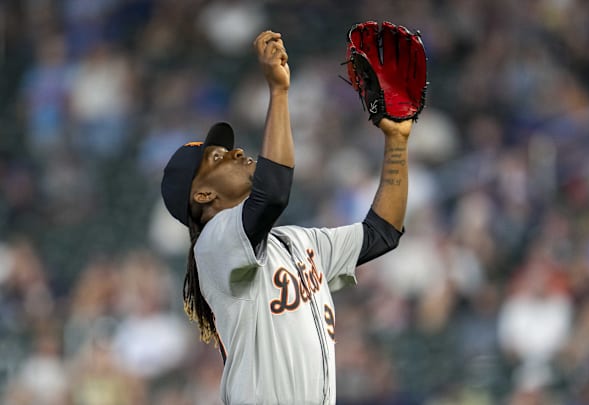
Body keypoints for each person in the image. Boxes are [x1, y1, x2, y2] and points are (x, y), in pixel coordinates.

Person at [160, 30, 413, 404]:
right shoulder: (214, 246)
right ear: (203, 195)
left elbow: (382, 232)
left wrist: (396, 141)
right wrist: (278, 92)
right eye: (218, 158)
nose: (235, 152)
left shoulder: (296, 241)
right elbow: (274, 191)